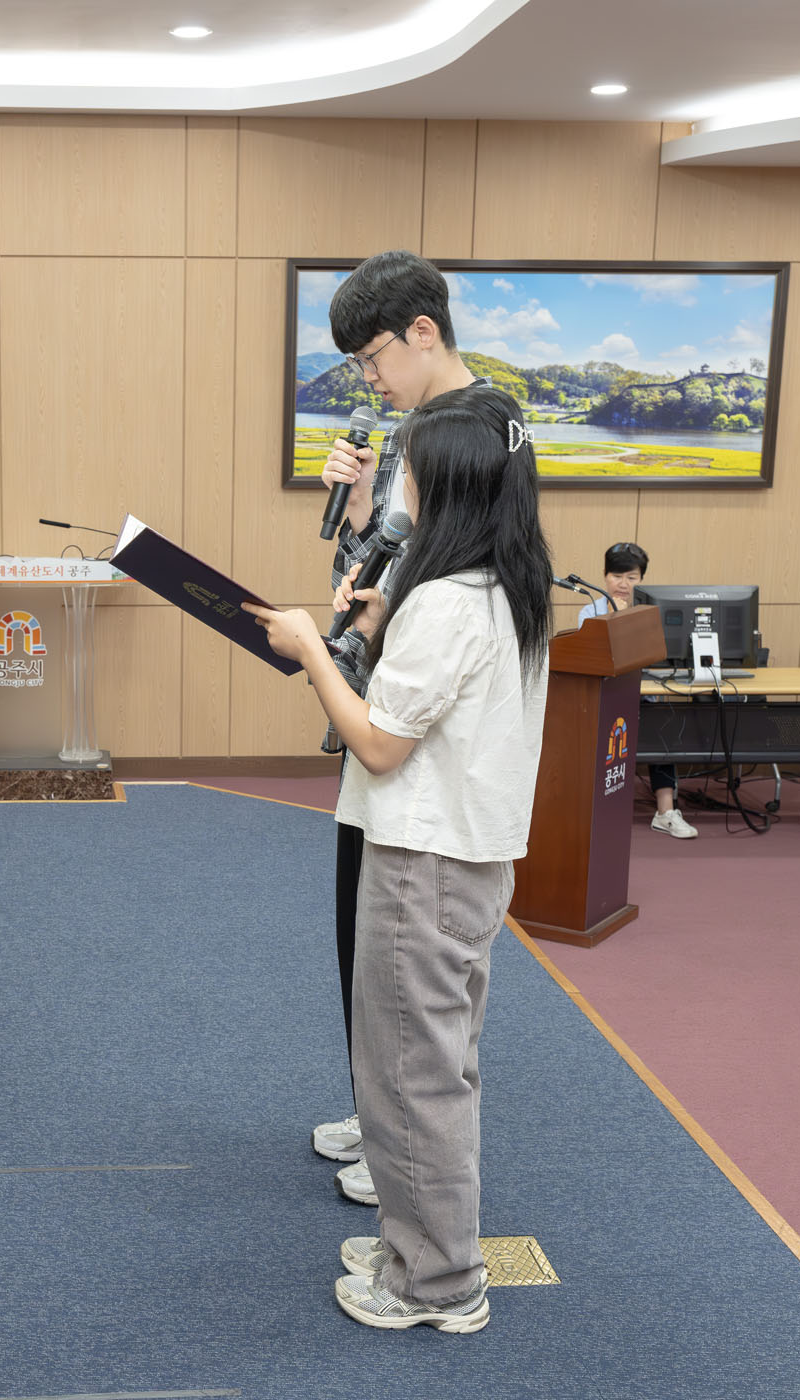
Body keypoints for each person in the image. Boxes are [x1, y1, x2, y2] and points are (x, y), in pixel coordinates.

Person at [246, 386, 552, 1335]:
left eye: (407, 468)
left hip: (422, 864)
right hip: (470, 858)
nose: (395, 482)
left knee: (408, 1077)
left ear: (444, 485)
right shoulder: (507, 583)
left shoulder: (448, 603)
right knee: (437, 1066)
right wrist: (380, 625)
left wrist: (314, 649)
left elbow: (379, 745)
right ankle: (417, 1243)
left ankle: (437, 1282)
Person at [309, 249, 488, 1210]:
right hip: (383, 717)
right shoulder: (414, 432)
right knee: (364, 944)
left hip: (420, 736)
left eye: (372, 358)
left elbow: (439, 593)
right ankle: (375, 1110)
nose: (368, 379)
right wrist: (355, 503)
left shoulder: (478, 434)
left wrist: (343, 637)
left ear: (424, 331)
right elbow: (374, 568)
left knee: (411, 972)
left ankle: (400, 1145)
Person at [577, 541, 694, 838]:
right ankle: (593, 811)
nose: (623, 584)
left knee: (663, 724)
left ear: (641, 579)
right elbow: (594, 657)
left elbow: (651, 655)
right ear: (605, 576)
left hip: (644, 695)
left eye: (632, 577)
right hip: (604, 697)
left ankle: (665, 811)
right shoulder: (589, 612)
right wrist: (616, 617)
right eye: (617, 576)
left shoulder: (650, 611)